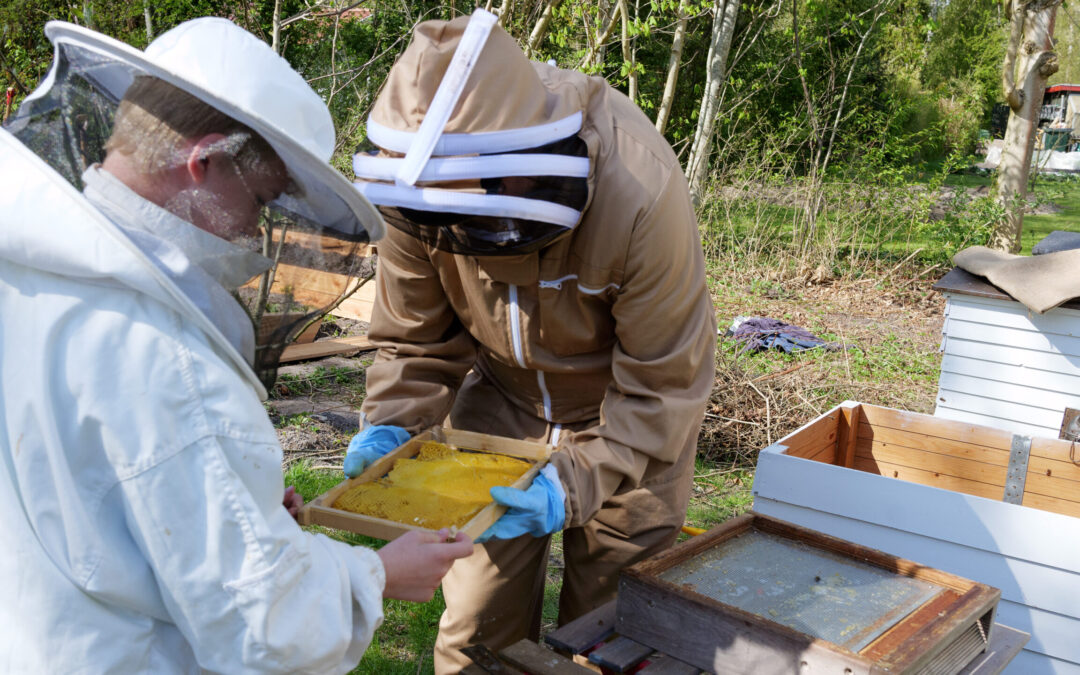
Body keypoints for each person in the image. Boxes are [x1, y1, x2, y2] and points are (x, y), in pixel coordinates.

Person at [0, 17, 472, 673]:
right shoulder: (167, 359)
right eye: (263, 199)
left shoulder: (28, 268)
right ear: (204, 162)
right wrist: (378, 574)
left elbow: (79, 490)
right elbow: (263, 626)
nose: (257, 230)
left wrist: (238, 504)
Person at [349, 10, 716, 672]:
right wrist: (391, 426)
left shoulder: (639, 189)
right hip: (500, 405)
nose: (459, 237)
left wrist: (576, 481)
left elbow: (664, 382)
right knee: (476, 627)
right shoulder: (416, 183)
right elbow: (413, 342)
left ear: (524, 167)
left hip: (630, 420)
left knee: (611, 628)